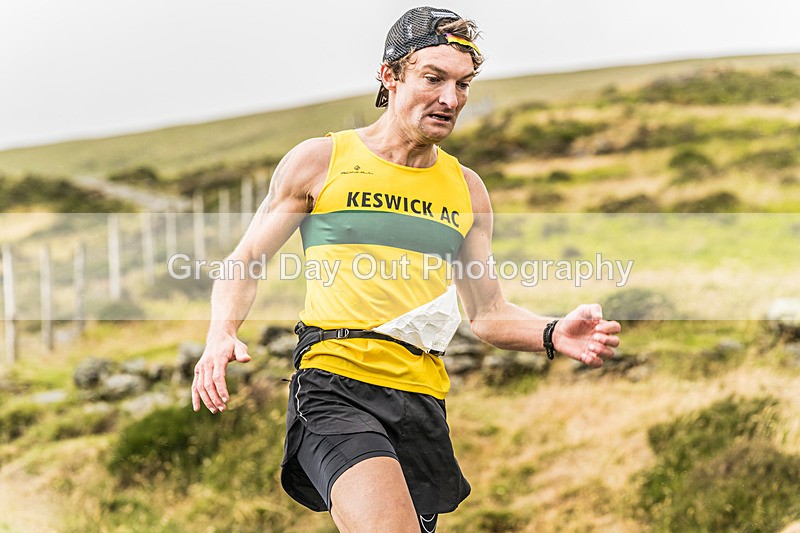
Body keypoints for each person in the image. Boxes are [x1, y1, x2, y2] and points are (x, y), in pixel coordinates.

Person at [192, 6, 621, 532]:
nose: (450, 99)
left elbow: (487, 313)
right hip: (335, 384)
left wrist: (554, 333)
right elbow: (244, 262)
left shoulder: (467, 189)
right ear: (389, 76)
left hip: (422, 400)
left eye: (462, 84)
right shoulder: (320, 161)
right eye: (433, 78)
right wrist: (220, 335)